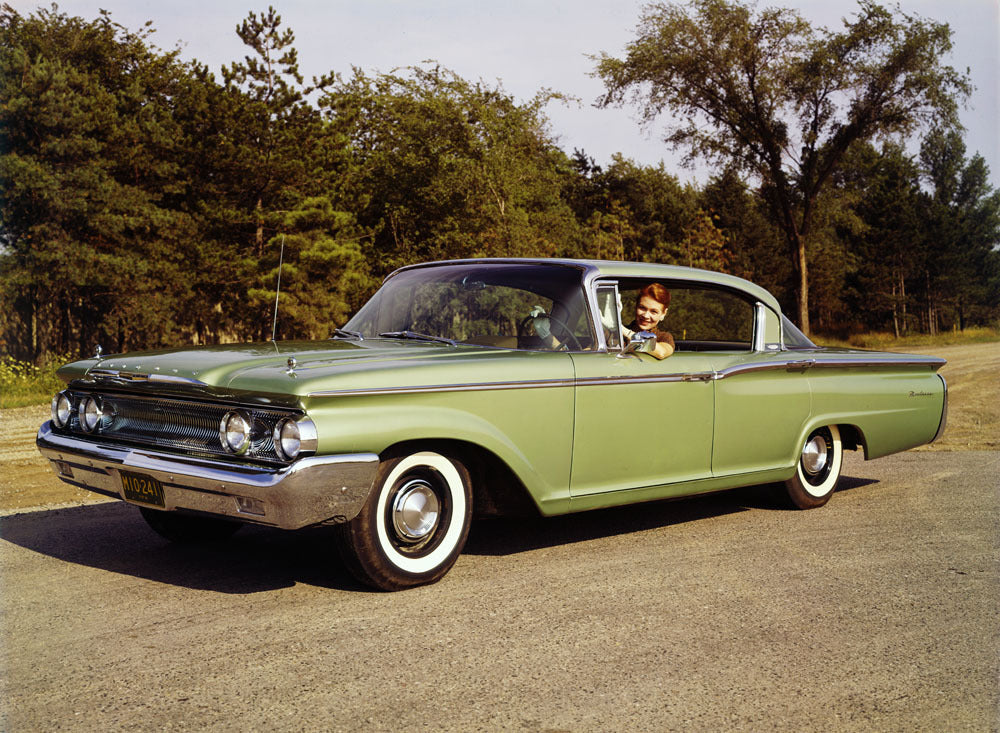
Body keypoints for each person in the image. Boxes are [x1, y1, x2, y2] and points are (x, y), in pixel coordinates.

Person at [622, 283, 675, 359]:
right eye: (642, 308)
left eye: (653, 311)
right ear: (636, 306)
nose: (646, 316)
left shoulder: (664, 338)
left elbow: (661, 353)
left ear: (663, 314)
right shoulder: (615, 335)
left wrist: (626, 332)